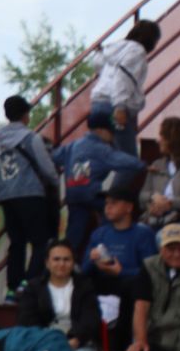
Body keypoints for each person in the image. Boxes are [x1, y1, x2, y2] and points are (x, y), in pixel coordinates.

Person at [16, 240, 102, 351]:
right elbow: (27, 320)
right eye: (56, 259)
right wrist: (54, 343)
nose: (61, 264)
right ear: (47, 263)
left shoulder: (84, 286)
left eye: (66, 259)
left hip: (78, 340)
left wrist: (75, 339)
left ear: (73, 263)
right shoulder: (33, 287)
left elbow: (91, 318)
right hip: (44, 342)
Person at [0, 95, 62, 297]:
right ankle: (31, 284)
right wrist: (56, 183)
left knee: (17, 241)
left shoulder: (0, 141)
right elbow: (47, 168)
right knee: (42, 241)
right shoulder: (31, 138)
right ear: (25, 115)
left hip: (6, 196)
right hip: (30, 193)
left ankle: (14, 287)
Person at [55, 105, 145, 253]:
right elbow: (120, 160)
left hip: (72, 194)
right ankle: (107, 243)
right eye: (111, 132)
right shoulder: (102, 148)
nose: (112, 136)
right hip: (92, 194)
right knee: (112, 211)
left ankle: (65, 257)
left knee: (74, 234)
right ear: (102, 130)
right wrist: (143, 165)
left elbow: (55, 157)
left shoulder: (72, 146)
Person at [81, 189, 160, 318]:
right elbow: (84, 270)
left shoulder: (143, 234)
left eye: (114, 203)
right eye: (106, 203)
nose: (108, 207)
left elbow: (152, 270)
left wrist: (121, 271)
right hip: (102, 283)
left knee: (133, 285)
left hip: (129, 288)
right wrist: (92, 259)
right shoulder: (99, 233)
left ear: (129, 207)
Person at [93, 19, 162, 152]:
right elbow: (124, 77)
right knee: (129, 162)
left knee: (107, 158)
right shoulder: (137, 51)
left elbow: (99, 64)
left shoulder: (114, 48)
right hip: (113, 108)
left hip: (98, 103)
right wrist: (120, 107)